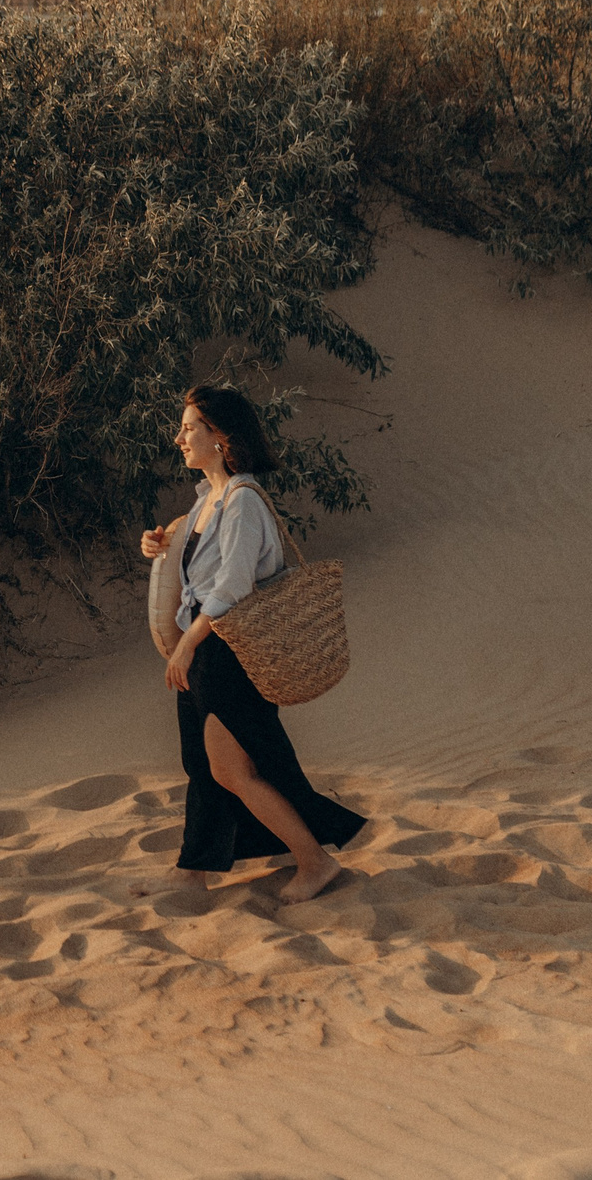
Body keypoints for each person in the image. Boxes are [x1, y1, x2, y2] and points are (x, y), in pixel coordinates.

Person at [138, 385, 365, 902]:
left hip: (231, 652)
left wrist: (187, 645)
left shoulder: (242, 501)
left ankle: (315, 861)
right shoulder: (206, 501)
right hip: (207, 649)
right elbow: (190, 568)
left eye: (189, 428)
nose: (179, 438)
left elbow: (233, 587)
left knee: (231, 769)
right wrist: (156, 545)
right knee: (202, 766)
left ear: (220, 436)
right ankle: (191, 871)